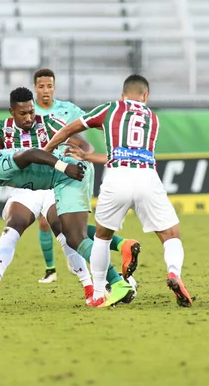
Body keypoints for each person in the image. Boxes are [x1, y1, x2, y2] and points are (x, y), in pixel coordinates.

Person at [44, 74, 193, 308]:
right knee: (171, 235)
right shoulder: (152, 118)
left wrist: (47, 149)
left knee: (102, 238)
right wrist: (87, 156)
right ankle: (174, 273)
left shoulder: (110, 108)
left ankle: (99, 293)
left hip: (117, 178)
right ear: (146, 96)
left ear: (122, 95)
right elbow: (130, 154)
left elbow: (69, 129)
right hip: (147, 177)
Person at [0, 146, 136, 307]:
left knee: (75, 237)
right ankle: (120, 253)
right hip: (64, 175)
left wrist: (63, 168)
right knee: (72, 232)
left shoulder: (0, 167)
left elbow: (31, 153)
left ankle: (118, 283)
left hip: (68, 174)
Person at [31, 68, 140, 282]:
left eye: (50, 86)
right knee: (60, 226)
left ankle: (112, 279)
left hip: (67, 173)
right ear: (35, 87)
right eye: (41, 86)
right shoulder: (27, 111)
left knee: (70, 230)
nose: (46, 90)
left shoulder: (68, 110)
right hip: (43, 173)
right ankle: (56, 269)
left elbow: (90, 132)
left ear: (54, 87)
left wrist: (86, 154)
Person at [0, 87, 94, 298]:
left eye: (31, 112)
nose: (29, 118)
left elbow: (83, 144)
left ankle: (89, 287)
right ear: (12, 112)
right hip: (25, 191)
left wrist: (83, 155)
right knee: (13, 224)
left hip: (53, 185)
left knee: (63, 229)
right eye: (23, 114)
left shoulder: (49, 124)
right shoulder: (0, 129)